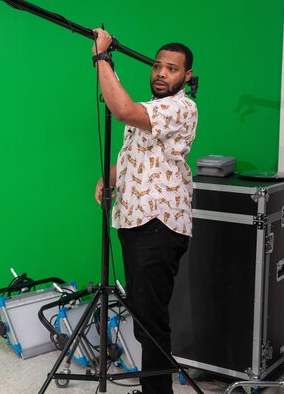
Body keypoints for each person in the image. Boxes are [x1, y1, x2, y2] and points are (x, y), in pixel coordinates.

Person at [92, 29, 197, 394]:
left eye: (171, 68)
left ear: (186, 77)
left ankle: (157, 392)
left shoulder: (181, 107)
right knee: (142, 316)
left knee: (150, 320)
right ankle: (153, 389)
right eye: (157, 65)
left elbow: (120, 110)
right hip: (135, 221)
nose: (160, 73)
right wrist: (109, 178)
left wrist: (102, 58)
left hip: (159, 224)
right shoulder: (150, 111)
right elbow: (134, 152)